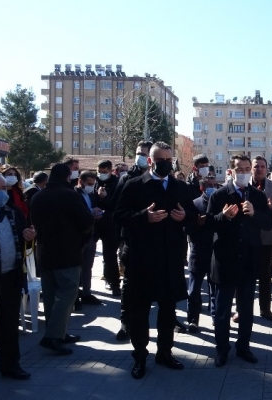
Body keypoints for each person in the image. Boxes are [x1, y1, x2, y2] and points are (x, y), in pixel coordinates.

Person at [113, 142, 195, 379]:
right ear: (150, 161)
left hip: (170, 259)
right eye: (161, 160)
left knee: (168, 311)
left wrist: (185, 216)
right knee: (139, 312)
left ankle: (164, 352)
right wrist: (144, 217)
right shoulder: (134, 185)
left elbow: (193, 216)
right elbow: (118, 216)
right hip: (142, 260)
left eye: (169, 160)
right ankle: (140, 356)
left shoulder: (179, 186)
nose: (166, 164)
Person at [207, 155, 272, 367]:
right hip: (225, 261)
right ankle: (222, 350)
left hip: (249, 260)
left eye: (246, 169)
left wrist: (254, 214)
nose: (243, 173)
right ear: (231, 171)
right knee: (223, 310)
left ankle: (243, 347)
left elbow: (268, 223)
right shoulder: (219, 195)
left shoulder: (258, 196)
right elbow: (208, 224)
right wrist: (223, 217)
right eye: (239, 169)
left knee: (245, 309)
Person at [0, 173, 36, 392]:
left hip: (10, 276)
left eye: (4, 188)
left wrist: (29, 237)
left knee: (9, 324)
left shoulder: (13, 211)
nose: (2, 193)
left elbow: (24, 238)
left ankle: (11, 365)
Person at [30, 163, 94, 356]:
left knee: (50, 295)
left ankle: (58, 332)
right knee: (68, 293)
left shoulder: (38, 196)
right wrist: (83, 237)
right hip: (67, 252)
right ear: (67, 177)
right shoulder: (69, 195)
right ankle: (53, 336)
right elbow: (86, 221)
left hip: (45, 252)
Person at [111, 140, 154, 341]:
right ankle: (126, 323)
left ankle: (169, 321)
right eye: (138, 153)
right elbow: (117, 211)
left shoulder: (162, 179)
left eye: (144, 153)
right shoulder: (127, 178)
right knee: (129, 285)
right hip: (131, 239)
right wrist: (141, 216)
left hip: (156, 241)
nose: (140, 157)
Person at [251, 156, 272, 321]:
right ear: (251, 168)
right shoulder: (243, 184)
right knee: (244, 275)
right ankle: (242, 310)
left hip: (267, 237)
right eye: (256, 166)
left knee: (265, 275)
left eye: (262, 166)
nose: (260, 169)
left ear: (266, 169)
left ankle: (265, 309)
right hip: (246, 237)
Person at [185, 176, 217, 332]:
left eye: (214, 185)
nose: (212, 188)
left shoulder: (220, 203)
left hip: (215, 252)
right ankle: (192, 320)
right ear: (202, 188)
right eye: (209, 185)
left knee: (214, 288)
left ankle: (216, 317)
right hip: (198, 252)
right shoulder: (194, 204)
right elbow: (186, 229)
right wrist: (197, 223)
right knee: (194, 290)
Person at [75, 171, 105, 307]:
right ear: (80, 181)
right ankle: (75, 295)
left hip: (91, 235)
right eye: (88, 183)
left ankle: (86, 293)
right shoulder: (73, 195)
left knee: (88, 267)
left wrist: (97, 213)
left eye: (93, 184)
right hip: (78, 237)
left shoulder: (92, 195)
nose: (91, 186)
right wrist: (90, 213)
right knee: (76, 268)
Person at [94, 160, 121, 297]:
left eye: (104, 172)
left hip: (111, 224)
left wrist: (105, 198)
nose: (101, 174)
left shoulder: (117, 183)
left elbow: (117, 205)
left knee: (110, 255)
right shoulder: (94, 182)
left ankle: (114, 282)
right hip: (95, 223)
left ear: (110, 171)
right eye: (99, 172)